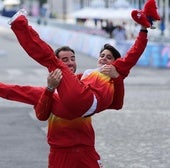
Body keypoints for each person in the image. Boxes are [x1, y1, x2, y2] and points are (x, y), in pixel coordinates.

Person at [8, 0, 160, 120]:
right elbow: (45, 111)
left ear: (115, 61)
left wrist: (143, 29)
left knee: (52, 61)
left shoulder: (116, 69)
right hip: (71, 111)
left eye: (109, 57)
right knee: (29, 92)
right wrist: (49, 89)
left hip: (86, 102)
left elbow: (135, 52)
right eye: (102, 56)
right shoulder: (87, 74)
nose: (104, 59)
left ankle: (20, 24)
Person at [0, 45, 123, 168]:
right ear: (57, 64)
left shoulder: (86, 83)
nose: (70, 63)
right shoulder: (48, 92)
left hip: (86, 151)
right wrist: (50, 89)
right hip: (60, 153)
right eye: (64, 60)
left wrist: (117, 77)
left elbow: (116, 103)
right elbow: (41, 115)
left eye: (72, 59)